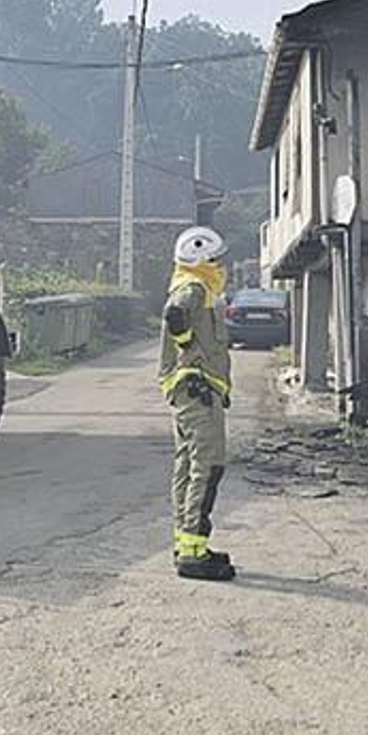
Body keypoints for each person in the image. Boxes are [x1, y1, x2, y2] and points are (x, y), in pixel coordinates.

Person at [159, 226, 235, 581]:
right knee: (208, 466)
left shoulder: (193, 286)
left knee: (188, 466)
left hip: (191, 390)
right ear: (204, 260)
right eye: (217, 260)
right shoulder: (193, 287)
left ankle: (187, 544)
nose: (223, 266)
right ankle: (193, 551)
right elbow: (175, 315)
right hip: (197, 389)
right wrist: (189, 348)